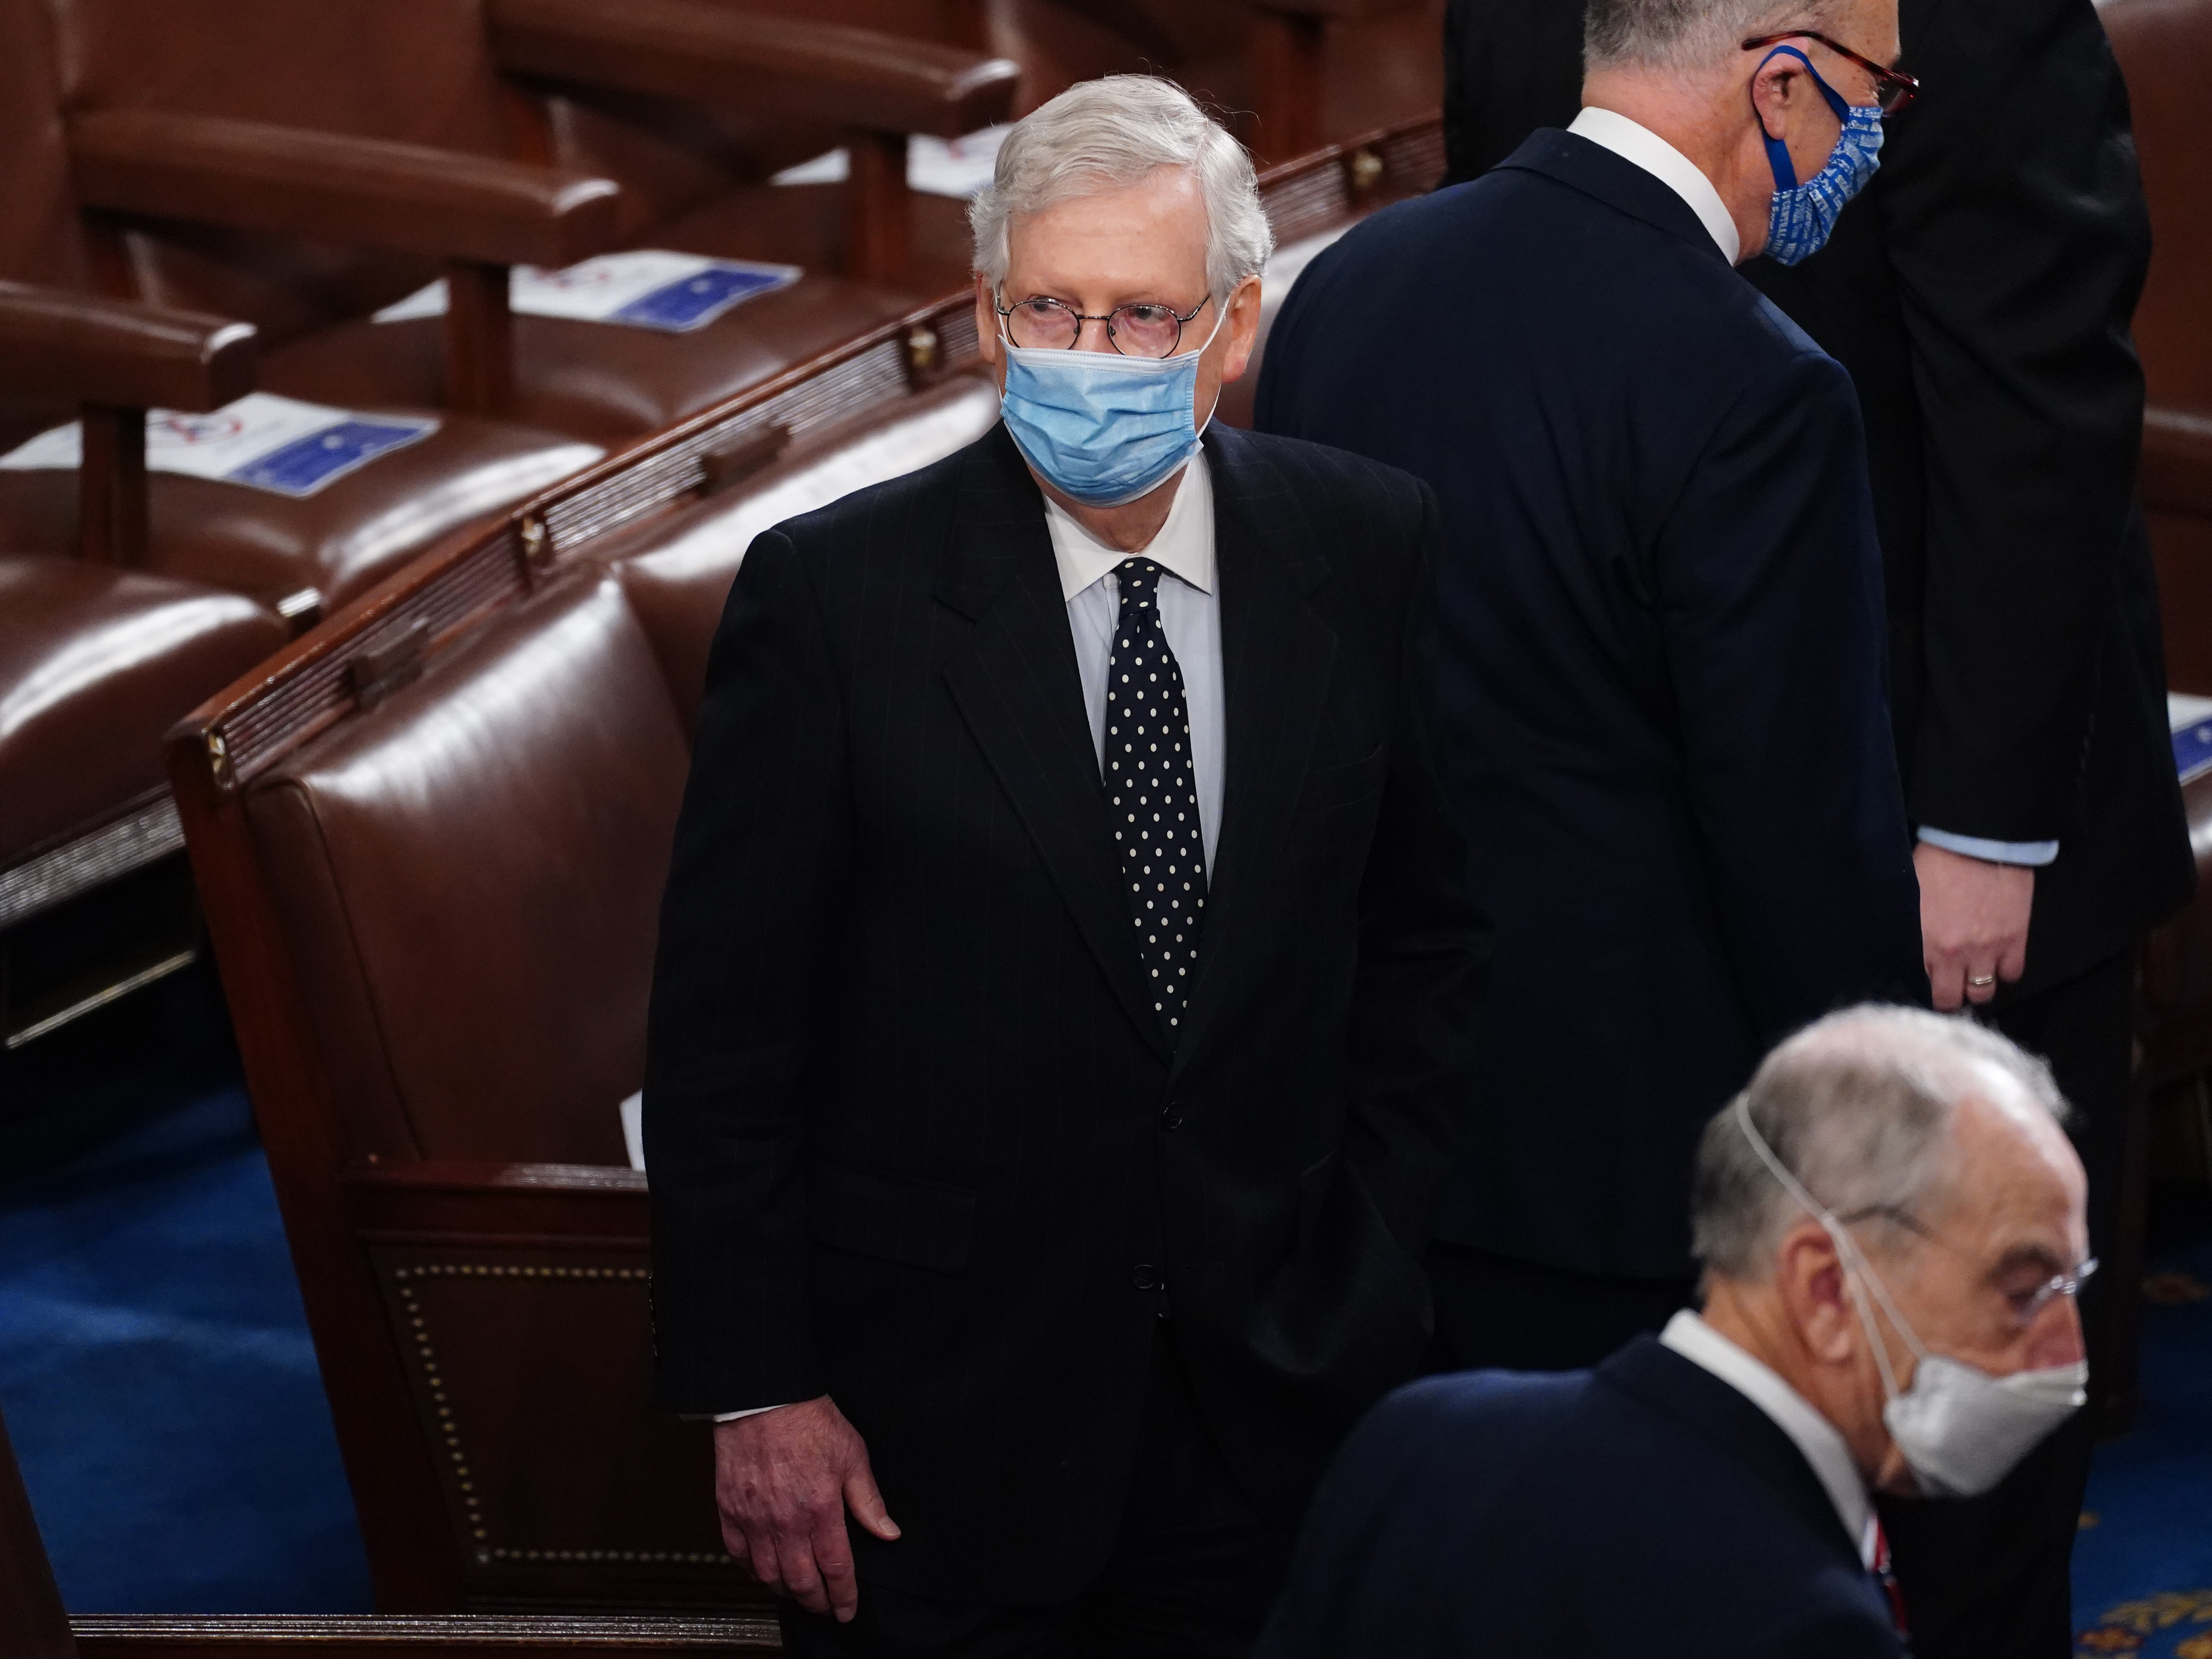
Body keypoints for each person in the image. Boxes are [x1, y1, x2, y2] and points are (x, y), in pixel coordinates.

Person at [642, 74, 1489, 1658]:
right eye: (1052, 306)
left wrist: (1370, 1264)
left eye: (1143, 317)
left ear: (1234, 331)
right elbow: (725, 1036)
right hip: (939, 1438)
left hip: (1282, 1401)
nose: (1089, 357)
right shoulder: (832, 603)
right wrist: (760, 1387)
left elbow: (1423, 938)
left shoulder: (1368, 543)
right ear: (985, 313)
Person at [1435, 0, 2194, 1648]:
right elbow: (1515, 326)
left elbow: (2037, 414)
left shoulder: (1979, 22)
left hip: (1957, 822)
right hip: (1646, 849)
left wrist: (1981, 832)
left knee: (1969, 1435)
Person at [1256, 0, 1926, 1378]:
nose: (1876, 128)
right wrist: (1874, 1173)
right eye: (1879, 87)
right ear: (1782, 84)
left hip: (1364, 1135)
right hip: (1636, 1179)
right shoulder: (1760, 387)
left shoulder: (1347, 284)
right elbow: (1800, 841)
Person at [1259, 1005, 2095, 1659]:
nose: (2071, 1357)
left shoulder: (1415, 1438)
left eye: (2074, 1288)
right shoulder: (1808, 1627)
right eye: (2024, 1290)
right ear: (1827, 1286)